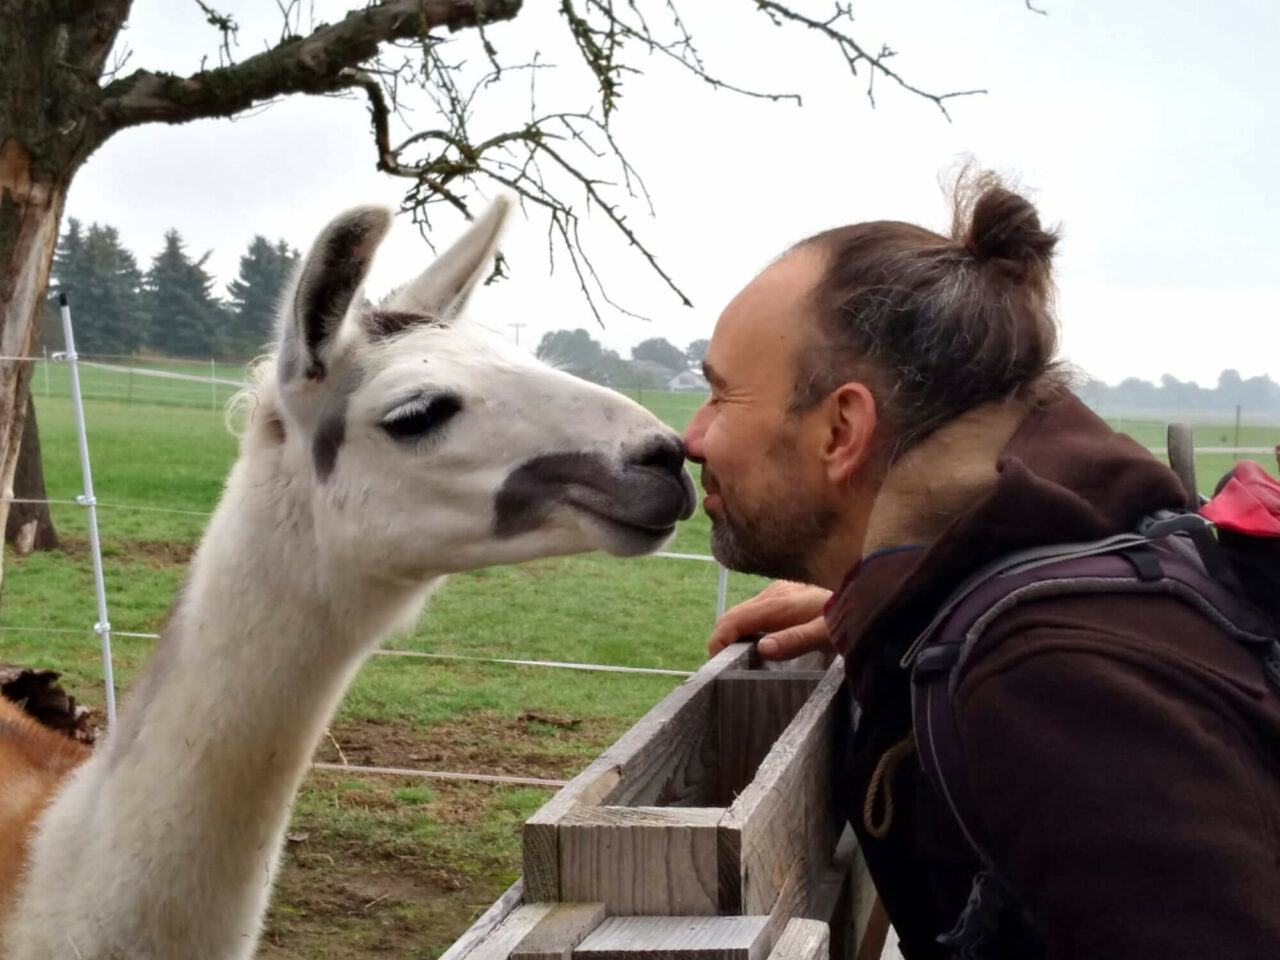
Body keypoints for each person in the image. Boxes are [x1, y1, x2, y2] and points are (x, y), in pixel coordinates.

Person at [682, 171, 1280, 959]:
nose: (690, 436)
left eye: (722, 396)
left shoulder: (1051, 680)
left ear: (841, 431)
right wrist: (871, 606)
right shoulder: (1047, 583)